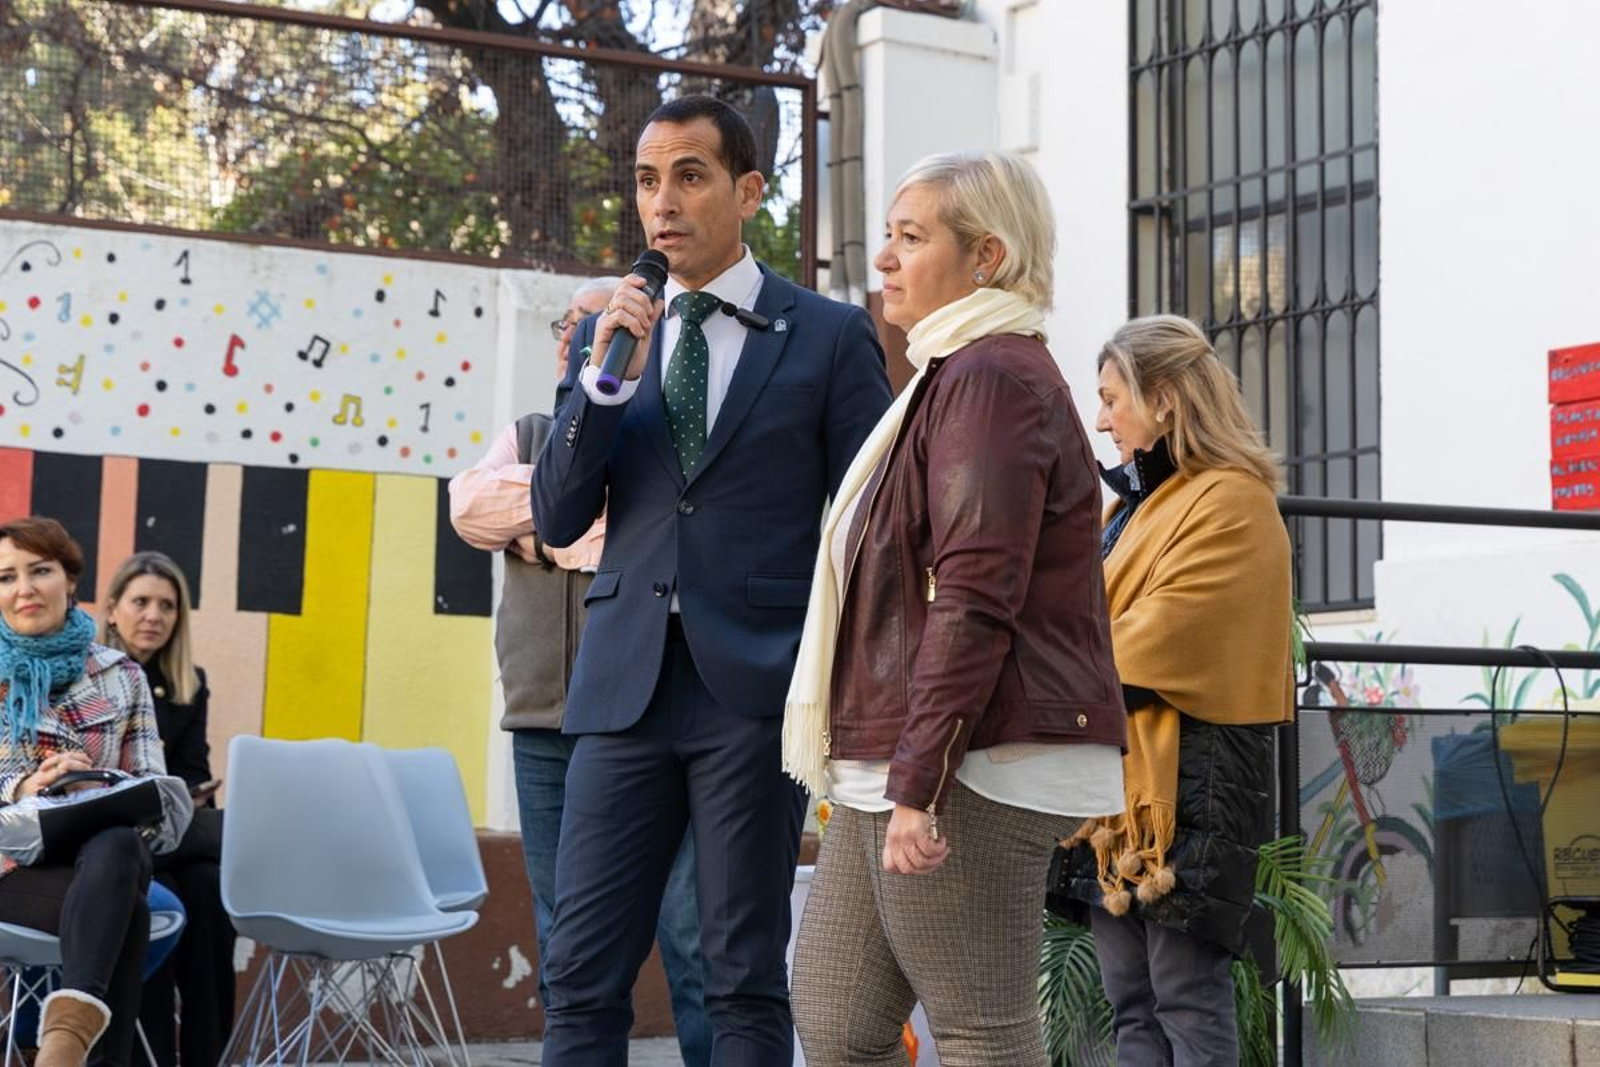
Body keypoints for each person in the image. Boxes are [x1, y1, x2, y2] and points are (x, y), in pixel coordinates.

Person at [531, 94, 892, 1065]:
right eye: (647, 180)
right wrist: (604, 386)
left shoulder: (827, 335)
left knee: (738, 973)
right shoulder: (605, 335)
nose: (663, 202)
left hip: (756, 688)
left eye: (688, 175)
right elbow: (560, 512)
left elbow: (877, 524)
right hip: (621, 689)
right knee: (578, 972)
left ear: (748, 190)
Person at [783, 150, 1128, 1066]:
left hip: (969, 755)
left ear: (987, 257)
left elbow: (974, 596)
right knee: (840, 1019)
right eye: (885, 237)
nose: (884, 260)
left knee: (982, 1029)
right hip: (903, 747)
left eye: (911, 237)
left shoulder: (990, 378)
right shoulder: (948, 376)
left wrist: (921, 779)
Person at [448, 275, 713, 1065]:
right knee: (569, 945)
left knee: (694, 936)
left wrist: (549, 532)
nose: (579, 333)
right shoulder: (532, 433)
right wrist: (576, 520)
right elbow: (468, 507)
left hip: (646, 721)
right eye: (572, 321)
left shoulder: (662, 436)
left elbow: (653, 538)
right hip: (543, 729)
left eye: (598, 321)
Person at [1052, 314, 1294, 1066]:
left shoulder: (1232, 502)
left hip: (1199, 781)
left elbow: (1138, 639)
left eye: (1111, 398)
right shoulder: (1132, 505)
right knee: (1129, 1001)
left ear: (1162, 399)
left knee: (1185, 996)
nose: (1101, 420)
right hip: (1125, 796)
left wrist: (1054, 652)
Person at [0, 517, 165, 1067]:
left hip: (103, 857)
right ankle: (69, 1045)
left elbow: (154, 794)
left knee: (117, 840)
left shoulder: (122, 674)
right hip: (14, 866)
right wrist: (28, 784)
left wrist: (94, 783)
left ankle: (64, 1042)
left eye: (39, 571)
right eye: (6, 577)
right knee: (130, 914)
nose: (23, 588)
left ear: (69, 581)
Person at [97, 551, 234, 1067]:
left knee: (209, 888)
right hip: (116, 837)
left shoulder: (188, 685)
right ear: (112, 610)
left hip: (171, 836)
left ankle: (206, 1056)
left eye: (167, 605)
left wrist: (193, 794)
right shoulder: (91, 676)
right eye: (141, 602)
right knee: (161, 901)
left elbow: (193, 768)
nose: (154, 615)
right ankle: (143, 1055)